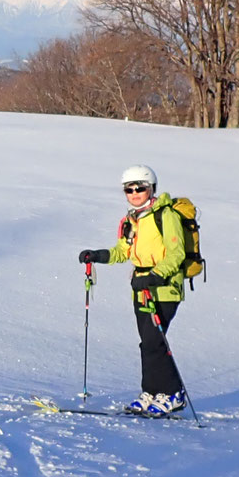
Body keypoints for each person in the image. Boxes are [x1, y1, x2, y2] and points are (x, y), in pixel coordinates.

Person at [78, 164, 188, 415]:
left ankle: (173, 393)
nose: (135, 193)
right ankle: (151, 391)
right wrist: (97, 255)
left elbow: (176, 254)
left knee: (154, 341)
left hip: (165, 287)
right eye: (130, 189)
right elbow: (122, 251)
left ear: (152, 189)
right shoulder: (131, 220)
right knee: (147, 342)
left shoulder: (166, 215)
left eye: (141, 188)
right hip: (140, 287)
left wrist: (154, 276)